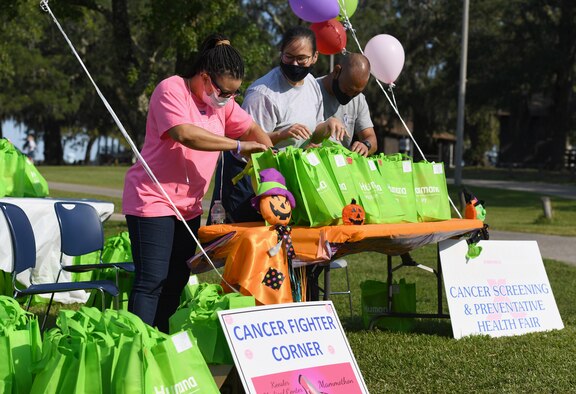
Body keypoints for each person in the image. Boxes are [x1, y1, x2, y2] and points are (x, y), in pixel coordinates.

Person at [122, 33, 272, 332]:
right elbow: (184, 133)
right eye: (224, 91)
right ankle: (137, 347)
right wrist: (238, 147)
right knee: (152, 280)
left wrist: (269, 161)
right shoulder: (172, 89)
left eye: (233, 94)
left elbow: (254, 129)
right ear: (205, 77)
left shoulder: (222, 104)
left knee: (177, 278)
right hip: (153, 199)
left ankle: (161, 341)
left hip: (188, 207)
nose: (228, 99)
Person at [209, 26, 347, 223]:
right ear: (280, 53)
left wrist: (327, 125)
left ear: (315, 57)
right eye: (288, 57)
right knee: (237, 241)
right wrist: (282, 134)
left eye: (302, 58)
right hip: (247, 176)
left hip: (282, 174)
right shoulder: (263, 93)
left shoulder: (312, 85)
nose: (295, 63)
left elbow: (312, 133)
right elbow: (246, 144)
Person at [317, 52, 377, 156]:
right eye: (347, 89)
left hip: (341, 166)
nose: (350, 95)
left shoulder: (359, 100)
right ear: (336, 72)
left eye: (356, 92)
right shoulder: (312, 90)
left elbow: (372, 139)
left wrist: (365, 145)